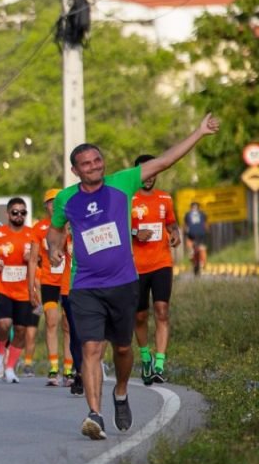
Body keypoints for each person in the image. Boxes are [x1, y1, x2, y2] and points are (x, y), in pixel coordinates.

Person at [48, 114, 220, 440]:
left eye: (97, 160)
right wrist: (55, 248)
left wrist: (198, 131)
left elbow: (166, 161)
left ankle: (122, 392)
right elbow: (54, 231)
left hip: (124, 281)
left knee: (123, 349)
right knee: (91, 348)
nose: (94, 166)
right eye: (86, 164)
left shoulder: (123, 182)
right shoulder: (65, 199)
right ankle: (94, 414)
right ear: (75, 171)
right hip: (85, 285)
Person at [130, 154, 180, 385]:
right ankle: (145, 357)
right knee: (140, 315)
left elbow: (170, 222)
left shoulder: (165, 198)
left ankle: (160, 363)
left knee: (162, 310)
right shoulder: (128, 199)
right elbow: (117, 228)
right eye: (145, 172)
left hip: (161, 262)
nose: (149, 177)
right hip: (136, 266)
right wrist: (134, 233)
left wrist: (175, 232)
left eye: (153, 172)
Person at [0, 197, 38, 383]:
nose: (19, 216)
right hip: (3, 287)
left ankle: (10, 368)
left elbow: (36, 261)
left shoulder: (32, 235)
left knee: (21, 330)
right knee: (4, 324)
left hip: (23, 289)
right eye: (15, 212)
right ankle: (0, 352)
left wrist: (32, 289)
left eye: (23, 212)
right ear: (8, 214)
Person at [30, 189, 67, 386]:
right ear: (46, 206)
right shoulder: (39, 228)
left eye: (57, 201)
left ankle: (69, 369)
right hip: (48, 282)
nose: (54, 205)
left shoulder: (70, 223)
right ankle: (54, 368)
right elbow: (32, 260)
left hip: (69, 280)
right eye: (51, 202)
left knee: (68, 325)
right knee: (52, 321)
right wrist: (31, 288)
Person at [184, 201, 208, 275]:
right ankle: (200, 264)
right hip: (197, 236)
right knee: (196, 250)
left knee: (195, 251)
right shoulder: (202, 214)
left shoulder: (188, 214)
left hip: (195, 236)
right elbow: (205, 225)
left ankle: (200, 264)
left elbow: (186, 226)